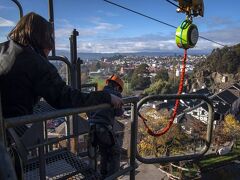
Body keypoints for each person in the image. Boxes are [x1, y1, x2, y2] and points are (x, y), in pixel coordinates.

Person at [0, 12, 123, 119]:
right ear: (44, 40)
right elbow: (65, 97)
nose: (47, 55)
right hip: (8, 129)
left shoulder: (3, 49)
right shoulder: (36, 63)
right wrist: (106, 97)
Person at [88, 74, 124, 178]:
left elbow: (89, 110)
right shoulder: (116, 95)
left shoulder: (99, 93)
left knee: (104, 152)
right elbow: (119, 113)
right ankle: (112, 177)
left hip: (93, 128)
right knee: (115, 152)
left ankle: (103, 175)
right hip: (104, 128)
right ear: (117, 87)